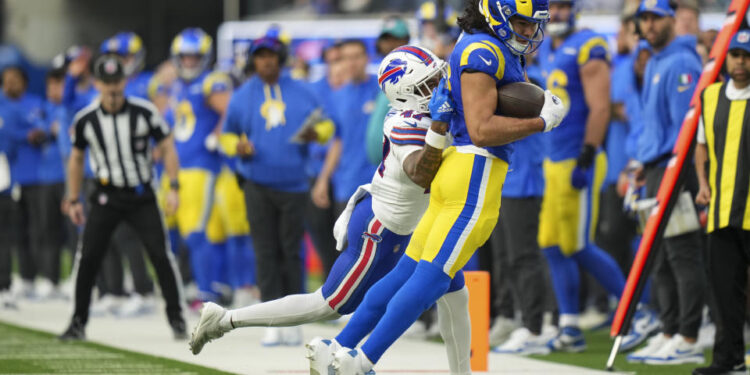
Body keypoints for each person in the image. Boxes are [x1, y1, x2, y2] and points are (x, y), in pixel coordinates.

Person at [322, 0, 566, 373]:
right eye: (521, 22)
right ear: (497, 15)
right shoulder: (483, 51)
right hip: (475, 172)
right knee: (430, 279)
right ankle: (362, 361)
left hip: (455, 170)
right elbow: (482, 130)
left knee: (408, 273)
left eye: (533, 24)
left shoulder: (479, 44)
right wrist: (541, 122)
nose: (529, 31)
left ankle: (339, 347)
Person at [191, 47, 465, 374]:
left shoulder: (429, 112)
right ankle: (226, 319)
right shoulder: (406, 123)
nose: (438, 87)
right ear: (405, 91)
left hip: (416, 225)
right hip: (379, 229)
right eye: (428, 82)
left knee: (455, 294)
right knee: (329, 304)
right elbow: (421, 172)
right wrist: (439, 128)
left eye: (437, 77)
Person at [58, 55, 186, 341]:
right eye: (107, 82)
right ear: (97, 83)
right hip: (105, 196)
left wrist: (174, 186)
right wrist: (75, 198)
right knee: (88, 257)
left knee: (160, 255)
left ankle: (177, 318)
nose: (113, 89)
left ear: (124, 82)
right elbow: (76, 159)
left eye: (117, 82)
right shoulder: (86, 119)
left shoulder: (144, 112)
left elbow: (167, 146)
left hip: (141, 195)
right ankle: (78, 322)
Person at [216, 35, 333, 346]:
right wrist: (237, 146)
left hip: (295, 183)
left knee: (291, 251)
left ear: (280, 58)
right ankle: (270, 319)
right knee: (265, 251)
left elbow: (327, 126)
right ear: (253, 61)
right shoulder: (242, 95)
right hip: (257, 182)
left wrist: (316, 133)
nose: (266, 61)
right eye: (260, 56)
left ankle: (292, 320)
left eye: (271, 55)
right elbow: (226, 136)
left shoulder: (303, 91)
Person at [626, 0, 707, 365]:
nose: (649, 24)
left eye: (656, 17)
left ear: (671, 20)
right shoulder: (656, 60)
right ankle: (670, 330)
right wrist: (643, 162)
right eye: (644, 18)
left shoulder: (682, 63)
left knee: (681, 253)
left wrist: (669, 168)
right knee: (657, 256)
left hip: (676, 169)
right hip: (656, 168)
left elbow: (686, 130)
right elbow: (654, 125)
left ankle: (689, 336)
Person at [691, 30, 750, 375]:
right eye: (736, 55)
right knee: (724, 292)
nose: (741, 62)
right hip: (721, 210)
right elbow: (701, 144)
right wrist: (702, 182)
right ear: (725, 58)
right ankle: (729, 359)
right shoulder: (711, 96)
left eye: (747, 56)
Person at [166, 27, 234, 305]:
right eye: (186, 57)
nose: (190, 62)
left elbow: (231, 110)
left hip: (200, 166)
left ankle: (207, 292)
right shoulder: (177, 84)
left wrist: (217, 134)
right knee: (170, 230)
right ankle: (186, 284)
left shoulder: (211, 81)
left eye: (195, 57)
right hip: (177, 166)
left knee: (196, 233)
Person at [311, 39, 379, 217]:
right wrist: (323, 179)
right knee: (346, 243)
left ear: (367, 58)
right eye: (346, 58)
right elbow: (337, 141)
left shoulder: (382, 90)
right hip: (348, 184)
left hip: (381, 183)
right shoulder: (337, 97)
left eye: (357, 57)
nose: (352, 62)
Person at [3, 65, 52, 299]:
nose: (10, 84)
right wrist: (25, 134)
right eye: (6, 80)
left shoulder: (34, 103)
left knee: (40, 228)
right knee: (17, 231)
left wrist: (33, 132)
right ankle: (25, 277)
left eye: (15, 79)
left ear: (24, 82)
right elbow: (10, 134)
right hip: (11, 179)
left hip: (37, 175)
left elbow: (44, 127)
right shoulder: (2, 105)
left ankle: (45, 277)